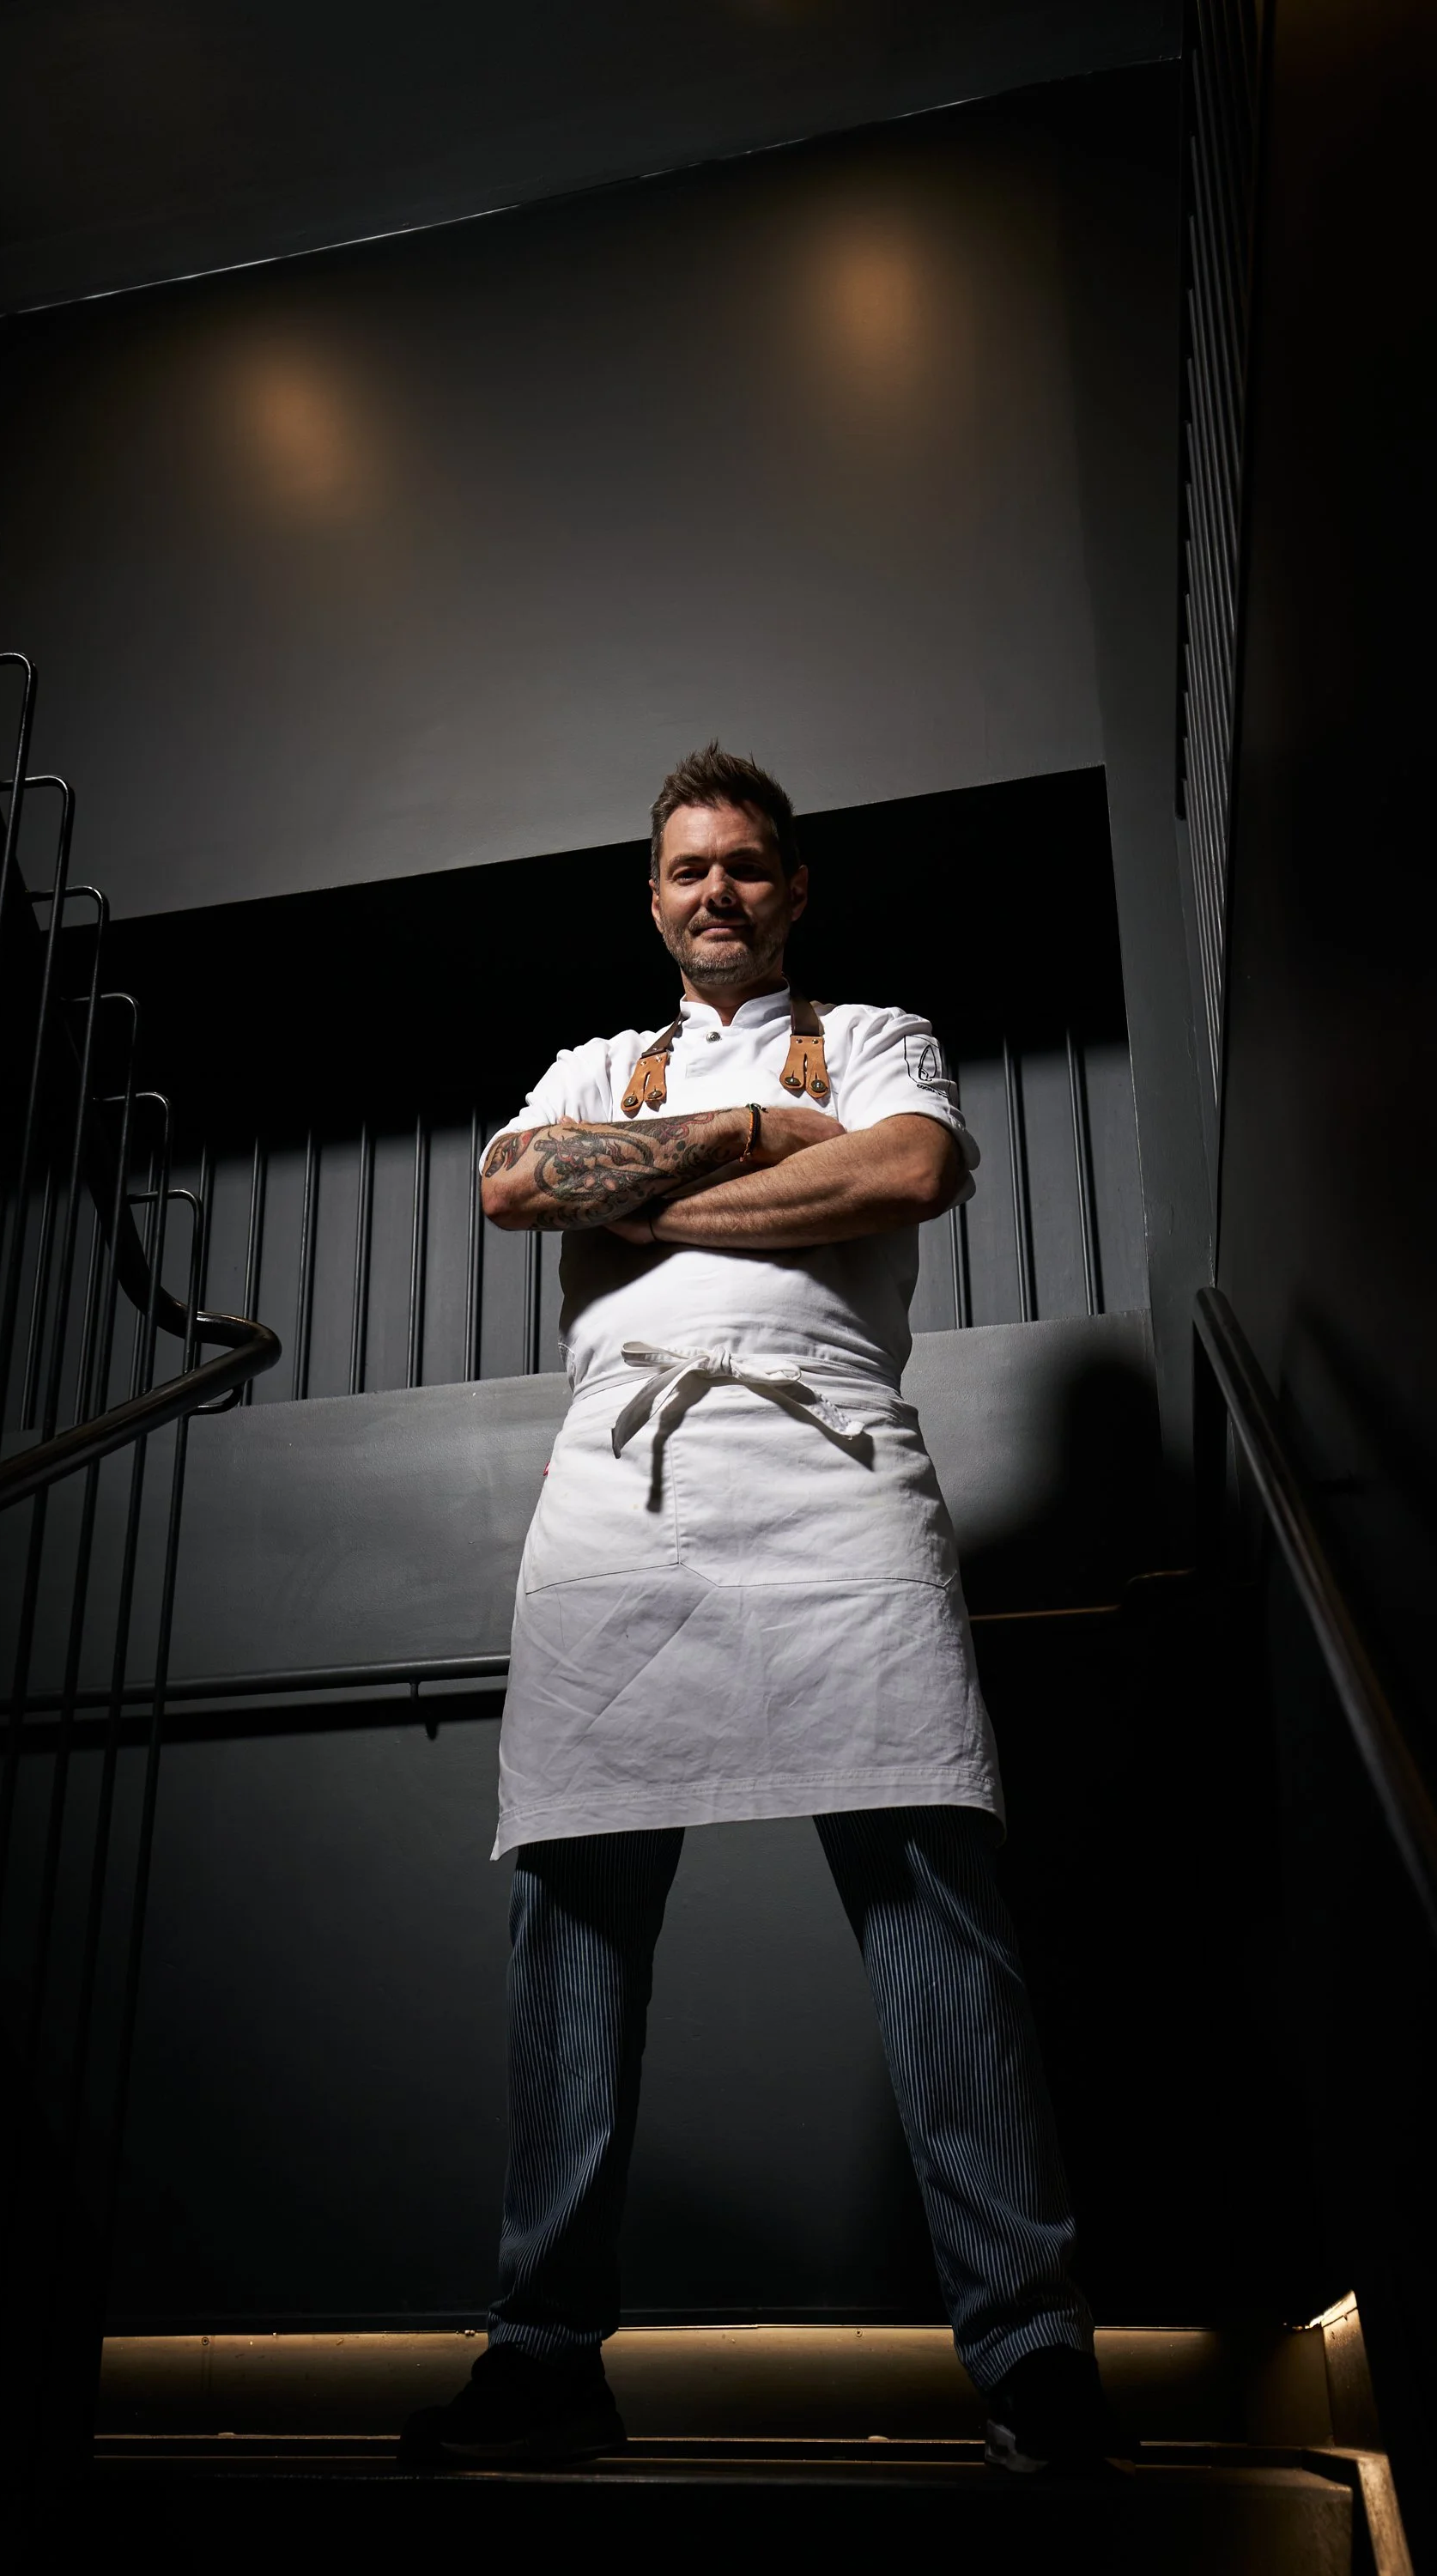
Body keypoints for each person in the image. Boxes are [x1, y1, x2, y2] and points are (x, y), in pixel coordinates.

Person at [405, 744, 1115, 2475]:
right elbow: (512, 1189)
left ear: (792, 890)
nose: (714, 890)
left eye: (743, 865)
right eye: (686, 869)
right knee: (572, 1923)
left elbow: (903, 1173)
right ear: (653, 901)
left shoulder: (871, 1037)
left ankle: (1031, 2351)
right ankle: (543, 2358)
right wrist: (739, 1132)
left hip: (838, 1487)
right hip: (618, 1504)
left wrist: (646, 1195)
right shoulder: (597, 1062)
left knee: (934, 1903)